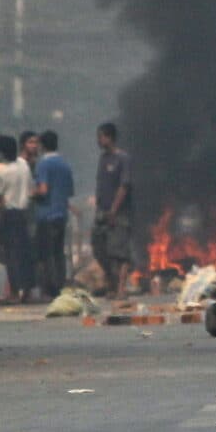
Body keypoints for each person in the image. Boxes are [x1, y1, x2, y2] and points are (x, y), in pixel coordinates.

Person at [92, 123, 133, 301]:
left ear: (110, 137)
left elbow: (124, 186)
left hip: (119, 213)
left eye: (101, 136)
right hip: (102, 212)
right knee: (100, 248)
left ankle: (121, 289)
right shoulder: (103, 159)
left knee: (120, 252)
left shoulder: (122, 159)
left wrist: (114, 210)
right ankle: (111, 284)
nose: (98, 140)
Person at [0, 133, 36, 304]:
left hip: (10, 214)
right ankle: (28, 290)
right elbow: (30, 188)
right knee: (25, 252)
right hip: (24, 213)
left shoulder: (4, 172)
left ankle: (14, 293)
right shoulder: (24, 166)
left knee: (11, 254)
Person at [31, 131, 75, 298]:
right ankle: (61, 285)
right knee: (58, 252)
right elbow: (69, 191)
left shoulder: (43, 164)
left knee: (46, 253)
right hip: (61, 214)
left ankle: (51, 289)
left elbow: (43, 190)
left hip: (46, 215)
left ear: (42, 145)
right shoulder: (65, 164)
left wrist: (31, 193)